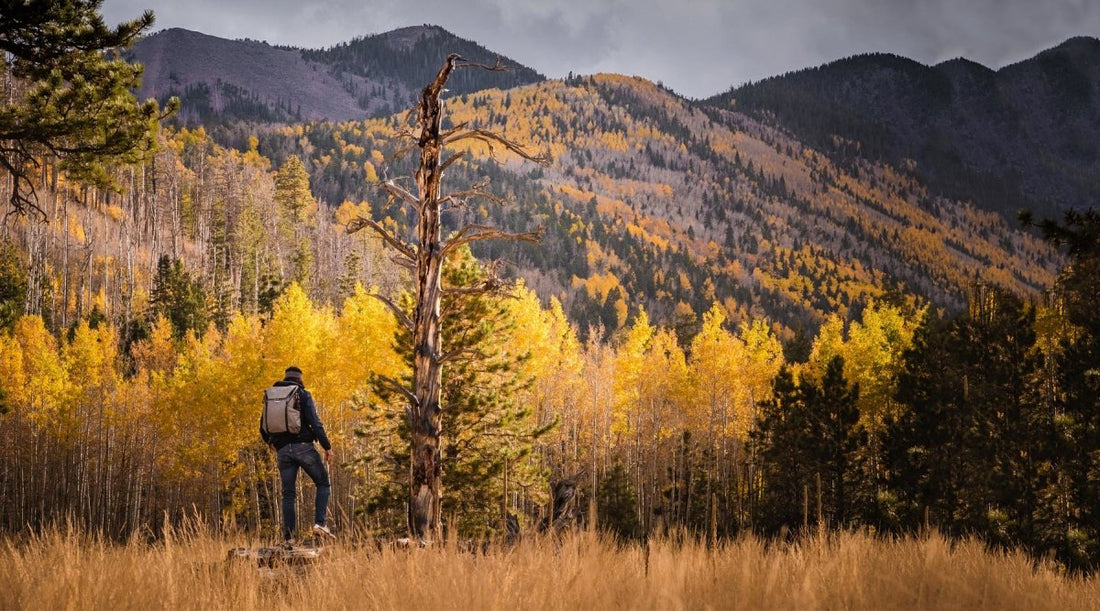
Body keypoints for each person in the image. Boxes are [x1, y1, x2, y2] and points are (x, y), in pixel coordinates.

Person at [261, 365, 335, 544]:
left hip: (283, 451)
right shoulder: (303, 394)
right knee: (323, 483)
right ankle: (320, 524)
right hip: (304, 447)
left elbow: (262, 426)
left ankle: (289, 538)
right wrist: (327, 446)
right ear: (300, 379)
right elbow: (315, 424)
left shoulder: (271, 396)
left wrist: (271, 442)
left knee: (288, 494)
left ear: (285, 377)